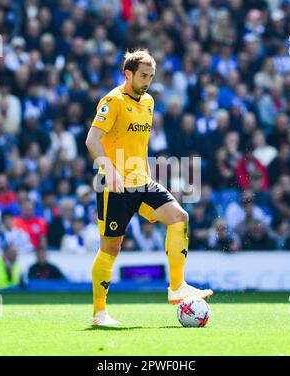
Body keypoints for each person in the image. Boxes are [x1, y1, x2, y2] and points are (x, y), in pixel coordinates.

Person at [85, 49, 213, 326]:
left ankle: (177, 287)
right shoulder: (112, 101)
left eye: (151, 77)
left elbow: (138, 145)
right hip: (113, 186)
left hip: (142, 181)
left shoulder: (149, 102)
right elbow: (92, 140)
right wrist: (110, 169)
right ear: (128, 73)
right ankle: (99, 314)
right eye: (143, 75)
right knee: (111, 248)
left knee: (179, 217)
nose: (147, 81)